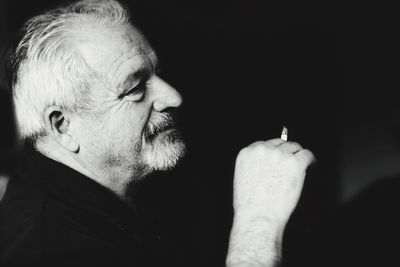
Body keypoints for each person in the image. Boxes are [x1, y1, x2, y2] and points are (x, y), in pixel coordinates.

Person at [0, 0, 315, 266]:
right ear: (63, 125)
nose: (173, 97)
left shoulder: (132, 194)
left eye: (157, 75)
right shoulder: (48, 251)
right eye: (136, 88)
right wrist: (258, 222)